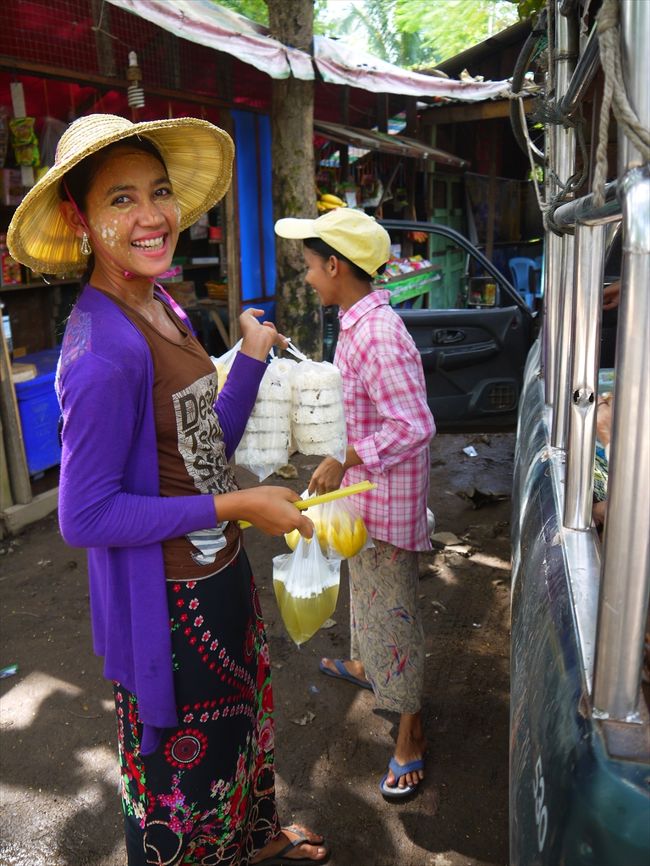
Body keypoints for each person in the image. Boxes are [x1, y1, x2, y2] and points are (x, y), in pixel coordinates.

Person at [7, 114, 328, 866]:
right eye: (120, 200)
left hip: (219, 579)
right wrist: (238, 505)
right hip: (173, 609)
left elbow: (202, 441)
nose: (151, 216)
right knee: (184, 782)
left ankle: (254, 840)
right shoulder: (104, 353)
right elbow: (84, 516)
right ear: (78, 220)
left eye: (157, 193)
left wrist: (247, 358)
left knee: (240, 736)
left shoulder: (162, 303)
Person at [274, 208, 436, 800]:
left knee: (392, 614)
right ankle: (369, 669)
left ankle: (410, 735)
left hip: (385, 502)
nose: (309, 278)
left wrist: (349, 456)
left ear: (336, 266)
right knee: (367, 593)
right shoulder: (354, 323)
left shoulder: (377, 333)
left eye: (313, 267)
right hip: (365, 500)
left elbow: (416, 425)